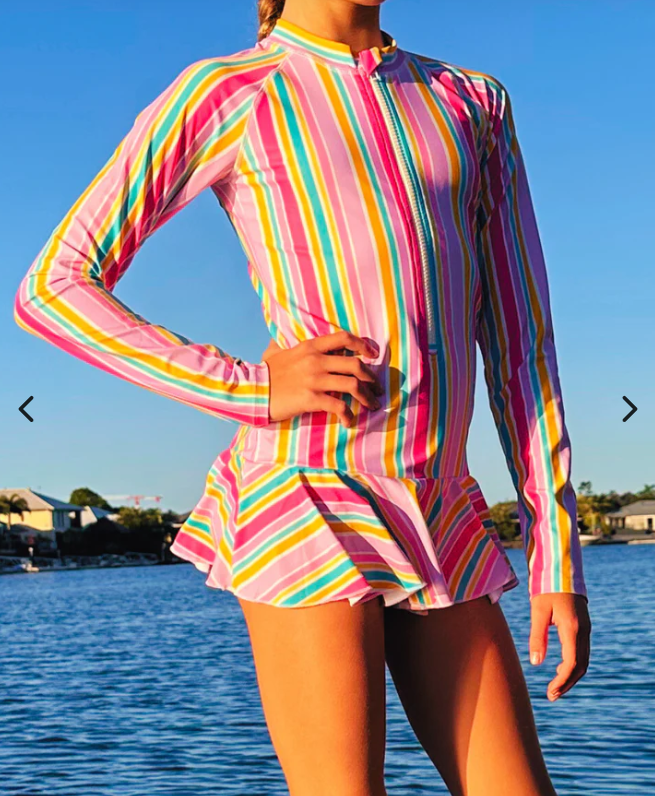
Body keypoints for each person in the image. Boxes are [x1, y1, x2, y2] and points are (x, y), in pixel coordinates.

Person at [14, 0, 592, 793]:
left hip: (439, 505)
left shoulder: (471, 100)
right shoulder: (231, 89)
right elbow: (52, 288)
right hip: (306, 492)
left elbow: (521, 342)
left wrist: (554, 551)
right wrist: (249, 387)